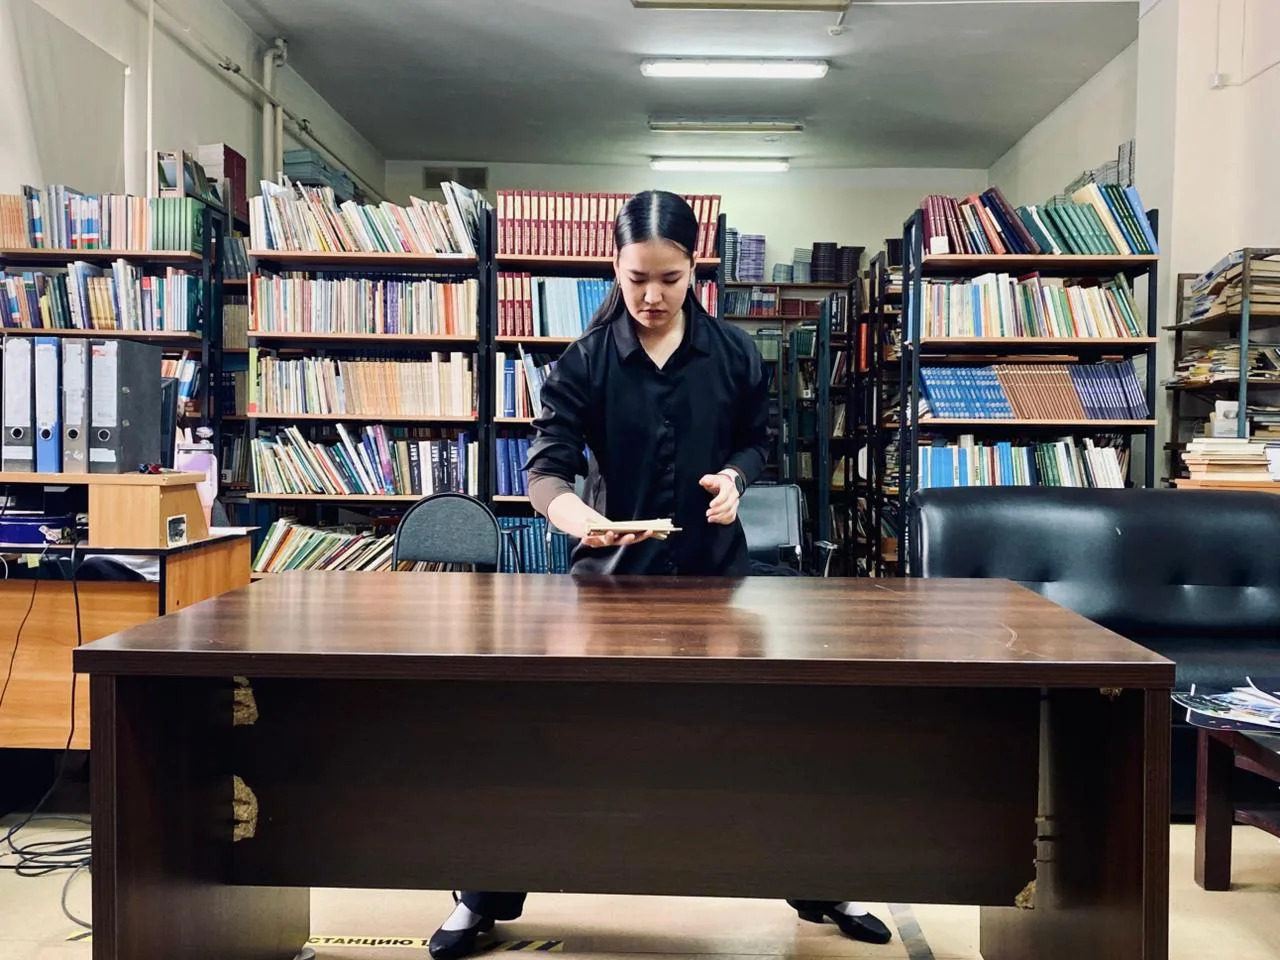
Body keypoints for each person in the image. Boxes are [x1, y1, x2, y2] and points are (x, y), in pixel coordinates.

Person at [428, 190, 892, 959]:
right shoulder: (584, 361)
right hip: (610, 584)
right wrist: (572, 515)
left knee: (768, 734)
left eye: (669, 279)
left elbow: (759, 442)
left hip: (716, 581)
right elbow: (547, 467)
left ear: (694, 269)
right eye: (636, 277)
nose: (651, 295)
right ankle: (483, 893)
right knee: (548, 735)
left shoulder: (736, 353)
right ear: (614, 267)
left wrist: (736, 480)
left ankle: (820, 881)